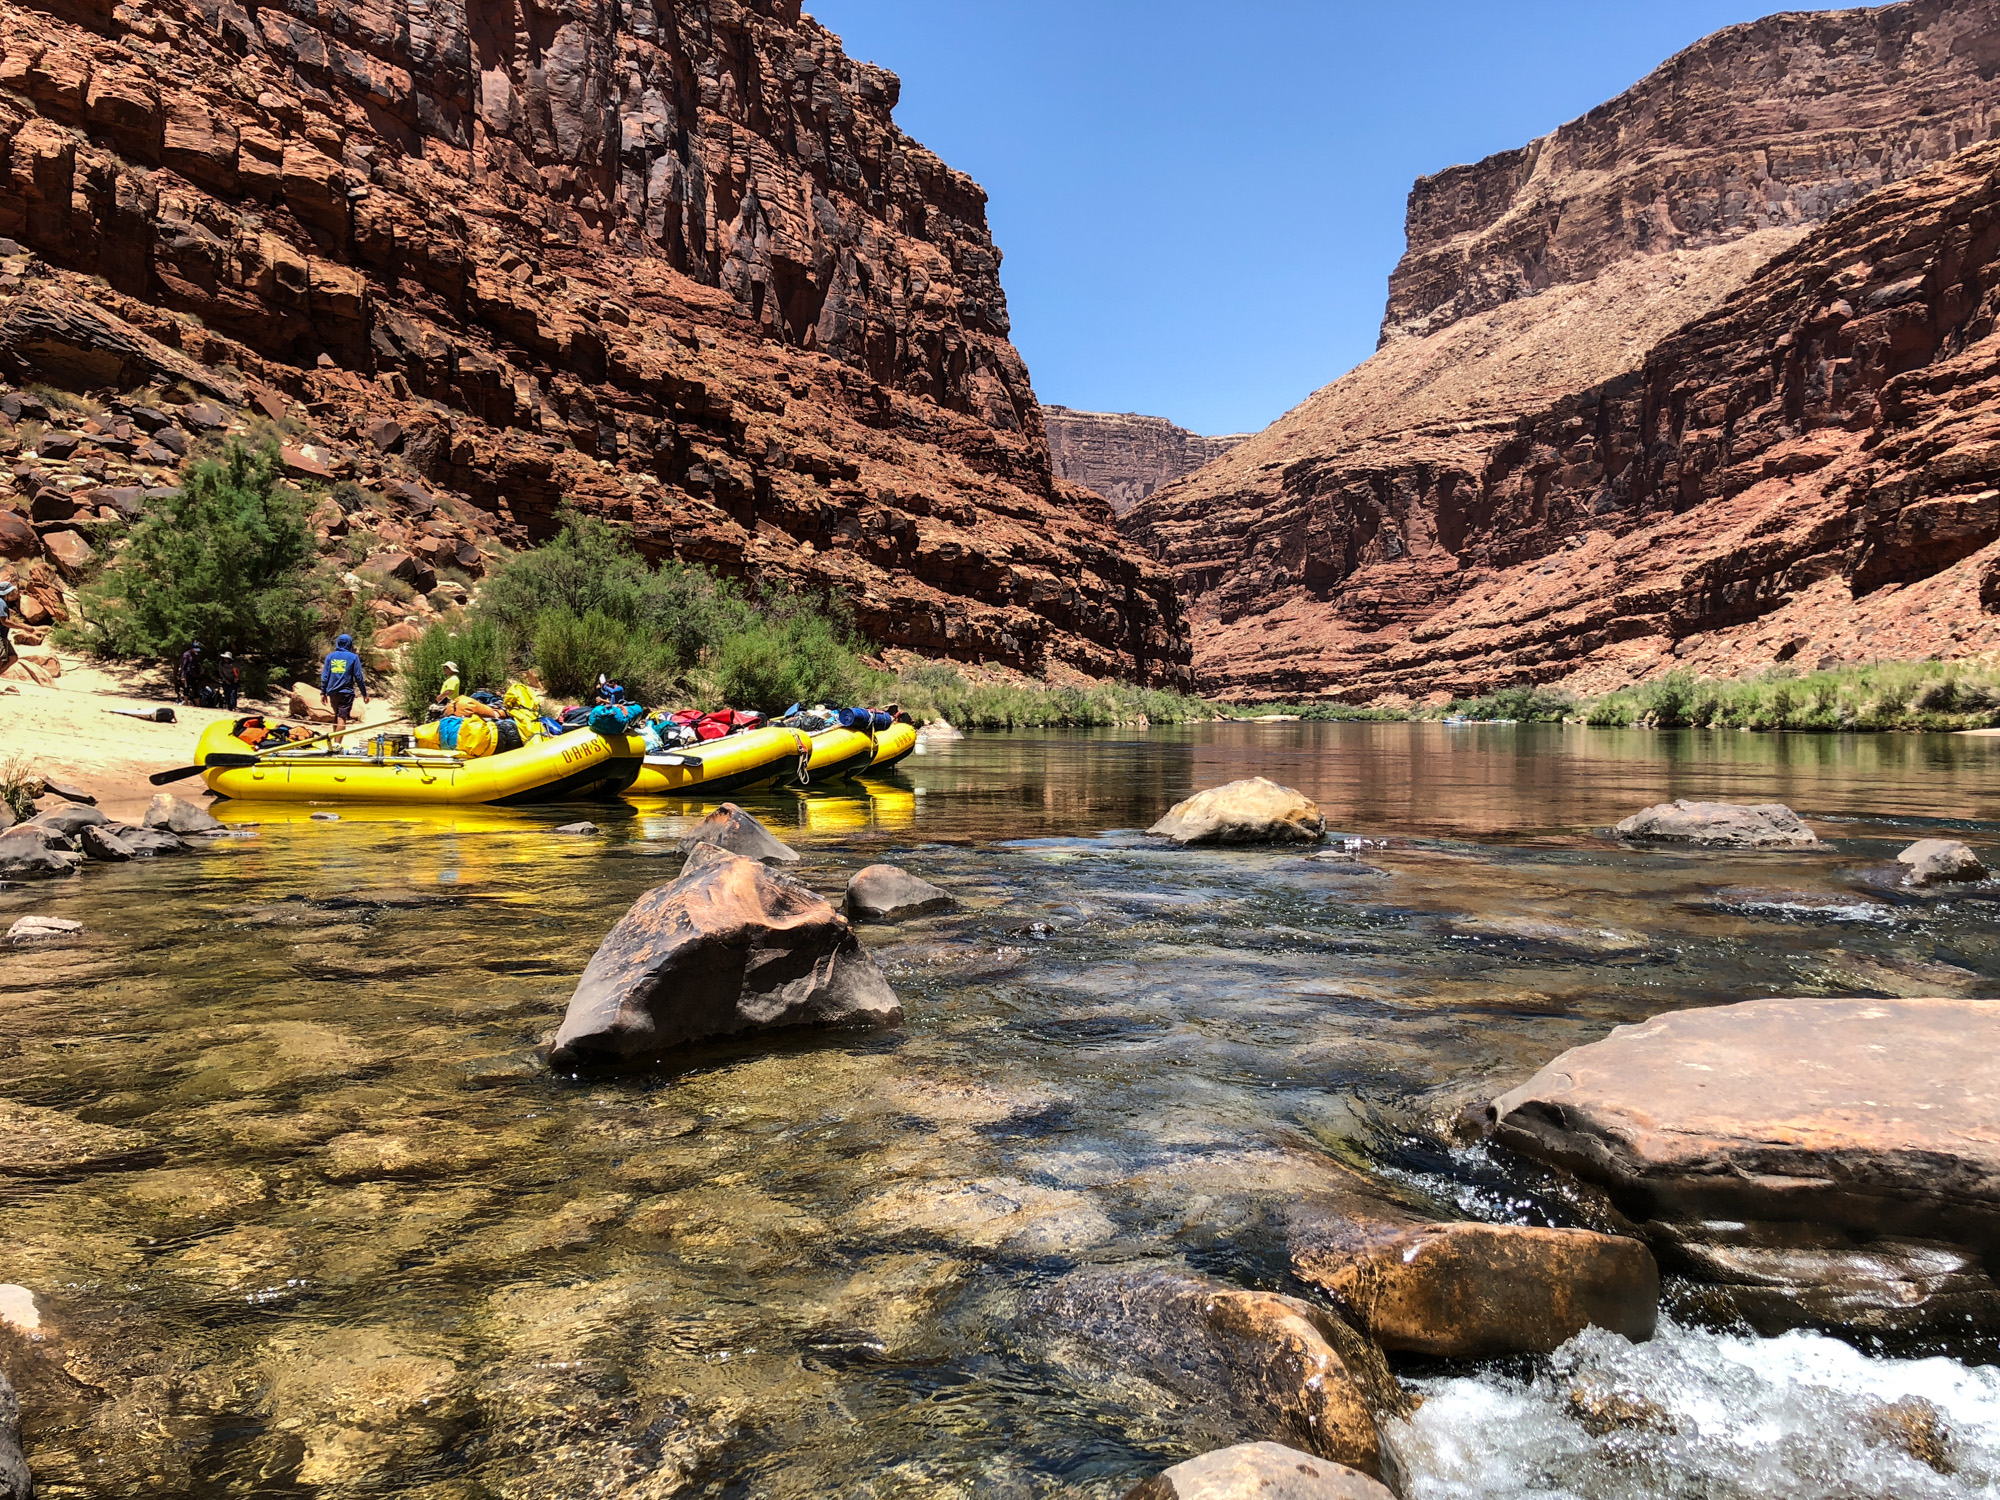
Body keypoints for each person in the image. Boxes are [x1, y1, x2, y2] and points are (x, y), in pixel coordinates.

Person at [320, 632, 369, 734]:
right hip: (346, 692)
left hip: (332, 691)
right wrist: (364, 693)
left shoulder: (330, 657)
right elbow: (359, 677)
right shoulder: (353, 657)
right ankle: (337, 744)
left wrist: (323, 692)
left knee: (336, 716)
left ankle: (334, 743)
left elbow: (325, 676)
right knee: (342, 718)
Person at [178, 640, 206, 706]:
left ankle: (198, 704)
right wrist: (182, 676)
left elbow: (197, 663)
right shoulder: (186, 655)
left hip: (194, 674)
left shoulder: (195, 655)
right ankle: (186, 703)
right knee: (186, 689)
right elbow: (183, 666)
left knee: (195, 688)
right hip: (187, 674)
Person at [0, 581, 15, 664]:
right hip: (1, 636)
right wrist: (24, 627)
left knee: (13, 657)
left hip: (3, 635)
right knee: (2, 659)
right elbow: (4, 621)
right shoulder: (1, 603)